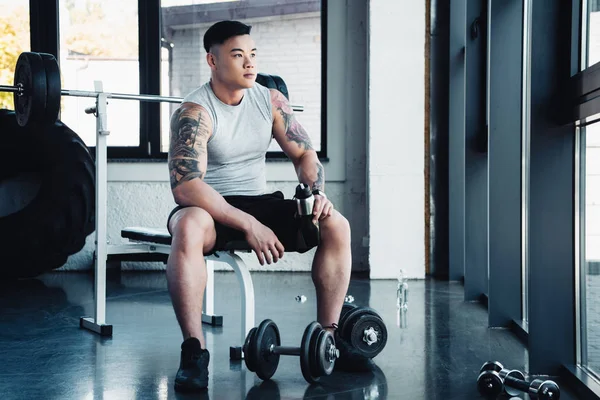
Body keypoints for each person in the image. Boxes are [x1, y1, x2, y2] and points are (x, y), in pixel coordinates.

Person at [166, 20, 353, 393]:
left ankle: (328, 338)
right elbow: (186, 186)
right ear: (212, 61)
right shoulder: (194, 112)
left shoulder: (269, 100)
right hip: (211, 208)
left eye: (252, 55)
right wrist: (249, 224)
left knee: (336, 224)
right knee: (187, 225)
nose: (249, 63)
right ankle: (194, 350)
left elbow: (304, 153)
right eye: (238, 56)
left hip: (259, 201)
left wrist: (315, 191)